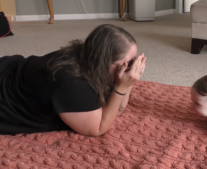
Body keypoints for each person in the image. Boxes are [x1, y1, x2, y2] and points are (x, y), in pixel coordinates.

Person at [0, 24, 146, 136]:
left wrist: (128, 81)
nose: (131, 68)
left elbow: (119, 107)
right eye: (127, 64)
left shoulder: (85, 54)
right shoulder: (74, 84)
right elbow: (98, 128)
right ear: (103, 62)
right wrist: (121, 88)